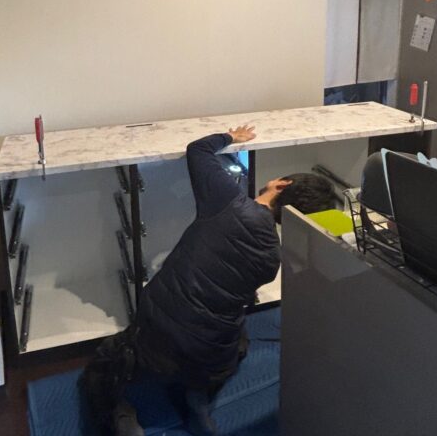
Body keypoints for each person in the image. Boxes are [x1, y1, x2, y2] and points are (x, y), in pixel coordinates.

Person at [82, 125, 333, 436]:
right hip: (211, 354)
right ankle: (198, 401)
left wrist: (230, 138)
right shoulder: (272, 260)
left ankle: (119, 415)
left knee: (104, 364)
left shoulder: (228, 202)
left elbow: (197, 149)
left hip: (157, 332)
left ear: (281, 184)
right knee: (235, 339)